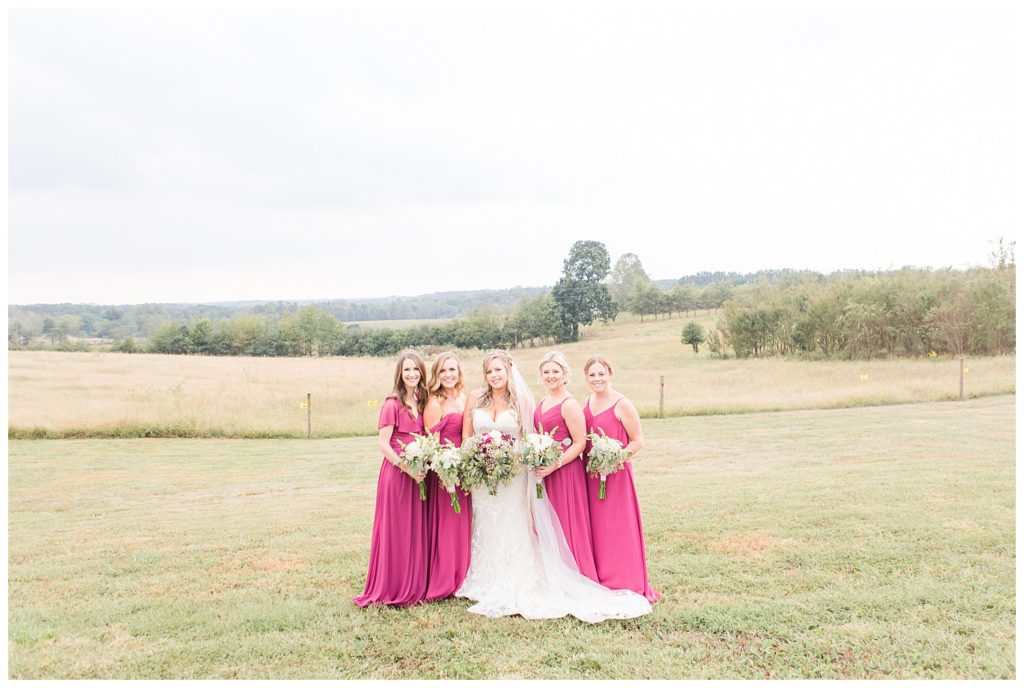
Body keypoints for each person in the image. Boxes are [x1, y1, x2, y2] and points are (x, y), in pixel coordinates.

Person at [455, 350, 651, 622]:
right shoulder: (525, 400)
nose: (494, 375)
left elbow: (572, 440)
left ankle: (574, 573)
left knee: (525, 522)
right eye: (489, 371)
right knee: (490, 522)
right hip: (498, 473)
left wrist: (541, 461)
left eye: (555, 372)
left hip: (531, 472)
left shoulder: (549, 402)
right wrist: (481, 456)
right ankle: (487, 575)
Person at [353, 351, 429, 607]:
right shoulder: (392, 404)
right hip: (397, 475)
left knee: (414, 528)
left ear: (421, 373)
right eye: (407, 370)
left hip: (417, 474)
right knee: (395, 529)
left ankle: (414, 585)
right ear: (400, 373)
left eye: (416, 370)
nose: (411, 374)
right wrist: (405, 467)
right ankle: (391, 586)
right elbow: (384, 445)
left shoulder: (421, 401)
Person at [582, 355, 660, 602]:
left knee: (618, 525)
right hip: (592, 476)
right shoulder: (585, 402)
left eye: (601, 373)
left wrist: (615, 458)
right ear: (586, 378)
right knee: (597, 527)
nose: (597, 379)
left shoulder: (622, 404)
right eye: (592, 375)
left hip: (616, 475)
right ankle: (602, 576)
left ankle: (625, 578)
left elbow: (637, 440)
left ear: (610, 374)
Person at [531, 351, 599, 581]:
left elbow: (580, 443)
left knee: (566, 520)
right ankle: (553, 571)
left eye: (555, 372)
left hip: (566, 473)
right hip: (546, 472)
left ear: (564, 375)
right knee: (549, 522)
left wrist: (555, 464)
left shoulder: (569, 404)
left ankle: (574, 573)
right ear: (541, 375)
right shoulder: (542, 402)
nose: (551, 376)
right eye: (546, 372)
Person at [422, 352, 472, 601]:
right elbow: (431, 443)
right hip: (445, 472)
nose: (448, 375)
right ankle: (446, 579)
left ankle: (463, 575)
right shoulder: (434, 403)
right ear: (437, 375)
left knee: (464, 522)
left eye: (452, 369)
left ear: (459, 372)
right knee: (448, 524)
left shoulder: (466, 398)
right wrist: (445, 470)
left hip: (463, 469)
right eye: (443, 370)